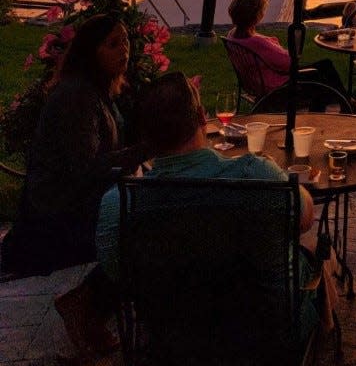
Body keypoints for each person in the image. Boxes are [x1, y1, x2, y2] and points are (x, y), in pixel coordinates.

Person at [96, 72, 321, 335]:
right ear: (203, 118)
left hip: (173, 343)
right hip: (264, 338)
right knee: (315, 252)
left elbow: (118, 274)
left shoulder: (119, 203)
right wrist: (288, 180)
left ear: (144, 136)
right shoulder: (257, 177)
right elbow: (305, 219)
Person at [0, 14, 142, 366]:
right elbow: (86, 170)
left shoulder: (97, 90)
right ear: (90, 52)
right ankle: (84, 307)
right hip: (53, 221)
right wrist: (142, 152)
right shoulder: (78, 97)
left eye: (125, 41)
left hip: (72, 207)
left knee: (146, 219)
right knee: (143, 231)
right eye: (113, 44)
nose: (123, 50)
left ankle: (90, 316)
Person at [227, 0, 356, 111]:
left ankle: (346, 102)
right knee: (322, 72)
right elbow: (290, 62)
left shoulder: (233, 35)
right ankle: (343, 105)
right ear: (256, 15)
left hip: (257, 83)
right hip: (277, 87)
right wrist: (273, 44)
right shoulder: (256, 42)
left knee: (323, 70)